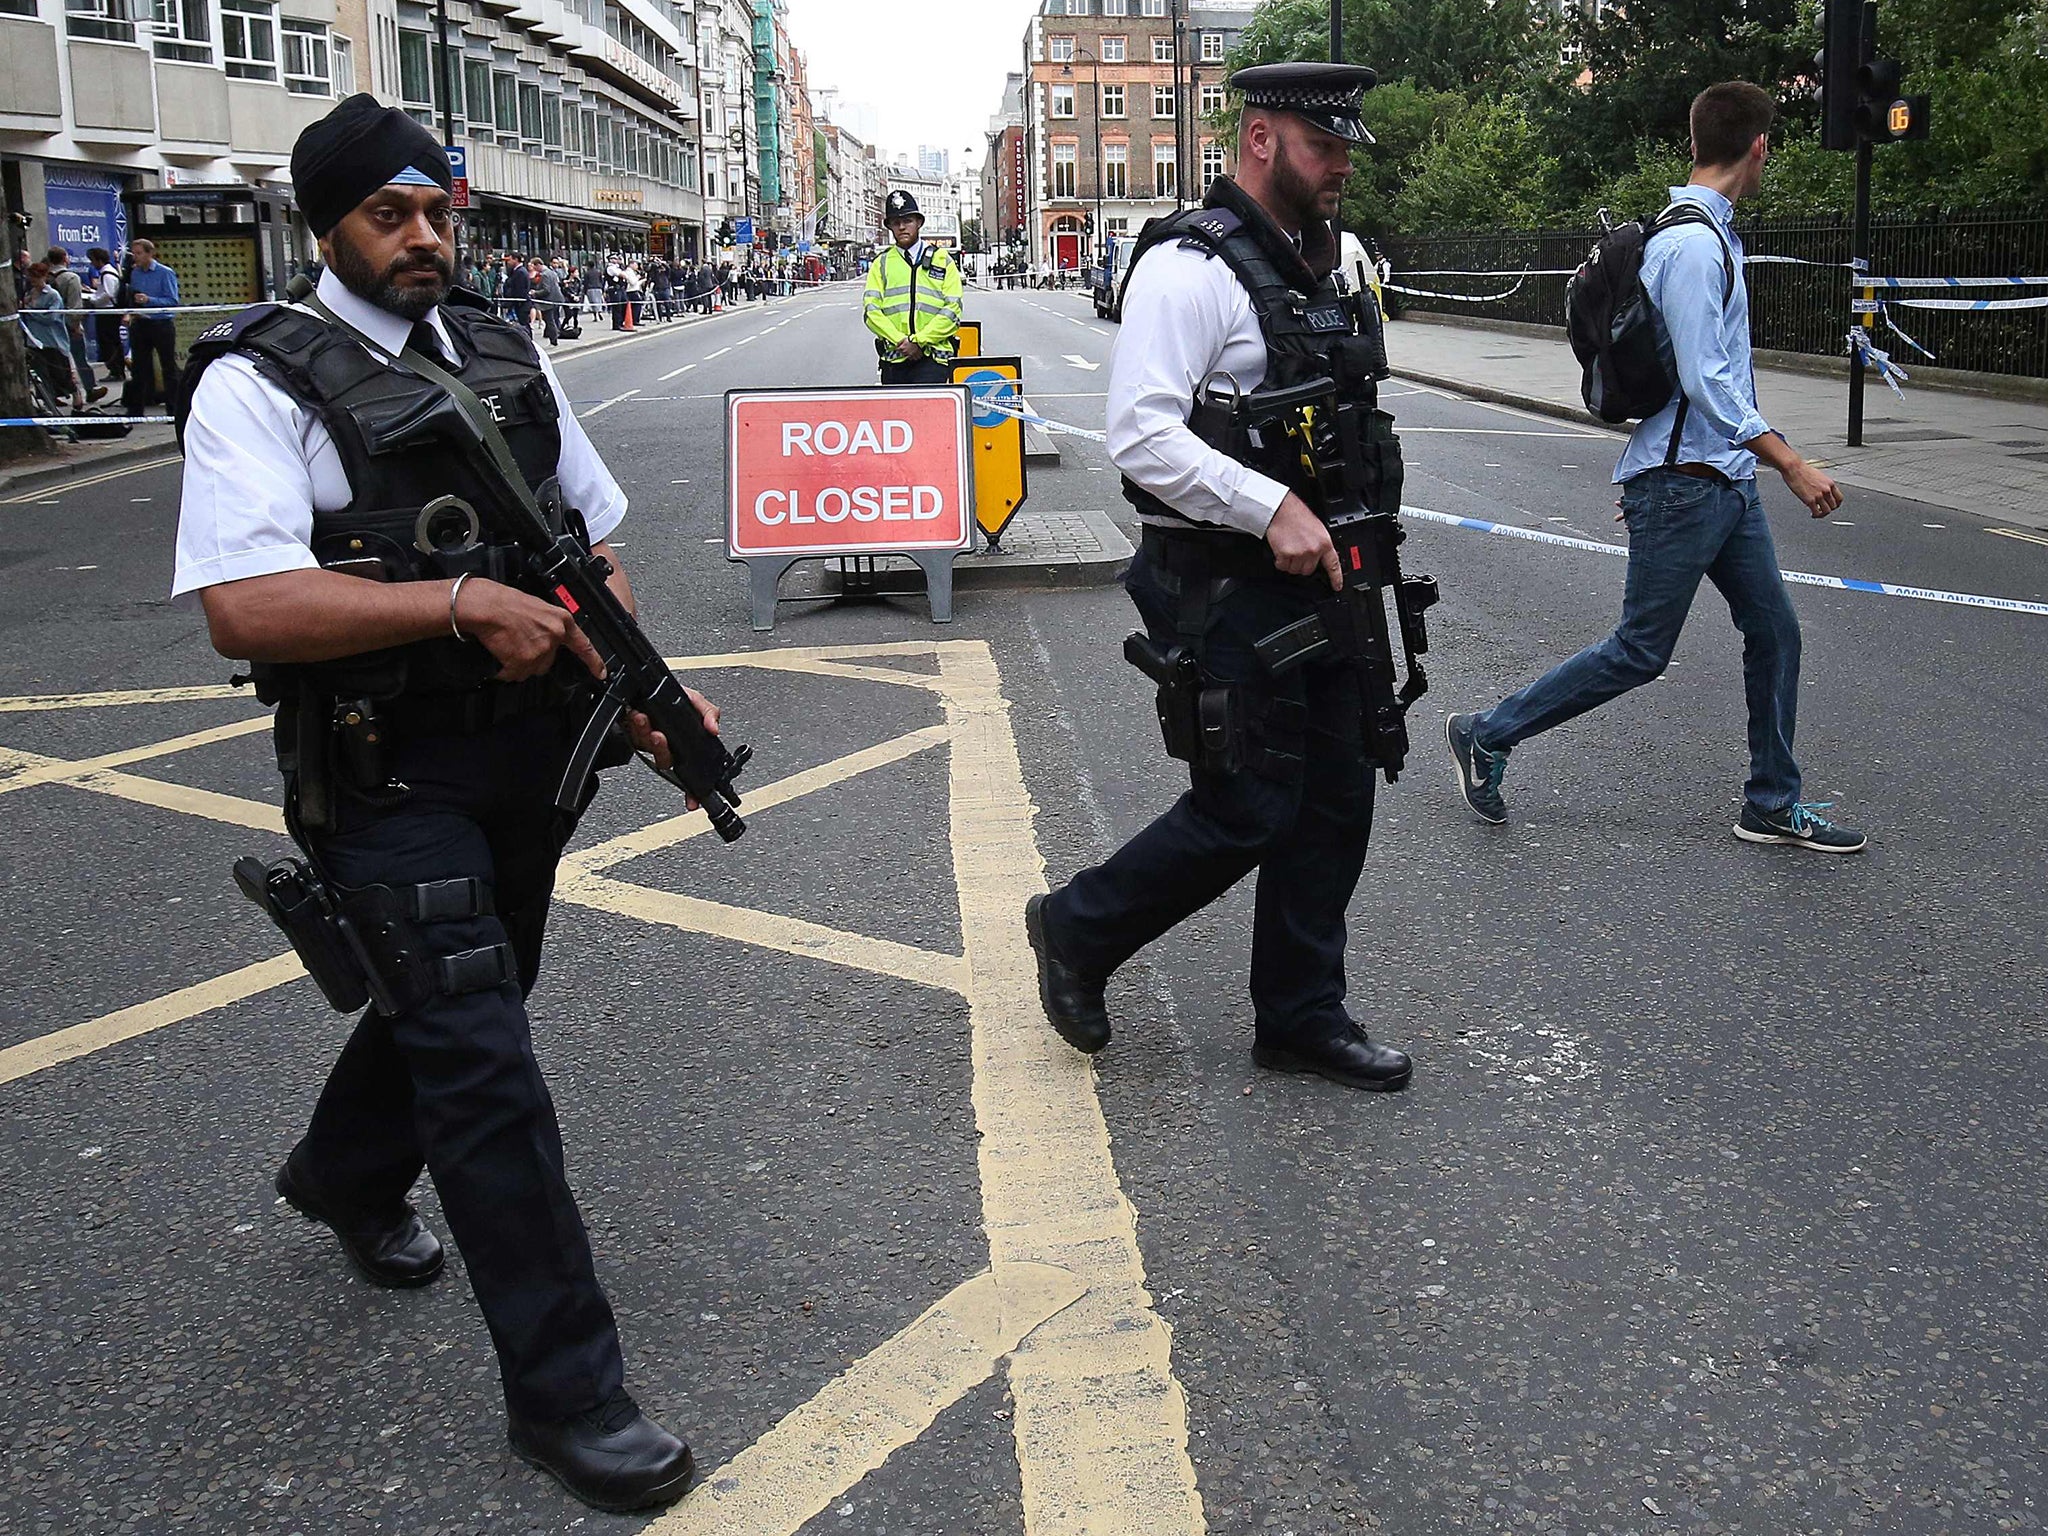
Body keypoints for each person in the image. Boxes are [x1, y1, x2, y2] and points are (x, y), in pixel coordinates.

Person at [169, 94, 707, 1512]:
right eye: (389, 215)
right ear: (325, 224)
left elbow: (588, 542)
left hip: (524, 759)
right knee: (485, 1072)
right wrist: (456, 600)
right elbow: (242, 605)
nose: (425, 237)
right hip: (382, 775)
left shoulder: (496, 344)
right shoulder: (257, 380)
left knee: (471, 991)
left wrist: (646, 689)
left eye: (438, 210)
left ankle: (343, 1177)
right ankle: (571, 1399)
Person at [1025, 63, 1413, 1094]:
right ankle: (1075, 927)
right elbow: (1141, 437)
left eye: (1343, 149)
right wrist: (1268, 506)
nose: (1339, 168)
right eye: (1322, 147)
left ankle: (1298, 1015)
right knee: (1246, 802)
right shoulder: (1188, 268)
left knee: (1333, 800)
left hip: (1329, 572)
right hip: (1221, 577)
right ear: (1258, 138)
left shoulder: (1337, 262)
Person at [1444, 82, 1865, 854]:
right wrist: (1790, 463)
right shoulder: (1697, 247)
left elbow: (1690, 376)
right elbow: (1708, 381)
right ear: (1759, 148)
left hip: (1714, 483)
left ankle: (1772, 800)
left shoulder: (1697, 234)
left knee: (1776, 632)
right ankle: (1486, 732)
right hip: (1691, 484)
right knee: (1640, 650)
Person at [862, 190, 962, 386]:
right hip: (894, 359)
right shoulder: (881, 263)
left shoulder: (942, 260)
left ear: (919, 222)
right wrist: (902, 342)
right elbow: (871, 311)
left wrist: (919, 341)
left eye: (907, 220)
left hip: (934, 359)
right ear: (889, 227)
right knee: (896, 416)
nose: (901, 227)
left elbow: (952, 310)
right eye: (895, 222)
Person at [20, 261, 96, 411]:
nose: (33, 280)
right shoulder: (29, 295)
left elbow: (51, 318)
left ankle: (75, 393)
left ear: (45, 276)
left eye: (36, 277)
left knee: (61, 374)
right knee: (42, 376)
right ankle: (49, 405)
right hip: (35, 341)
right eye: (31, 277)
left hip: (53, 341)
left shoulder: (53, 295)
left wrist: (31, 310)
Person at [123, 238, 182, 411]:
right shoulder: (135, 273)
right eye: (134, 254)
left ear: (150, 253)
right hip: (141, 322)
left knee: (167, 366)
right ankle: (136, 409)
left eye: (139, 253)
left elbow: (172, 300)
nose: (136, 257)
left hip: (161, 323)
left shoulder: (165, 273)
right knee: (139, 367)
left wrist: (150, 300)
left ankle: (173, 408)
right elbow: (131, 295)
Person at [44, 246, 99, 397]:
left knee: (55, 360)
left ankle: (55, 393)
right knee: (80, 357)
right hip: (68, 323)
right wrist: (76, 325)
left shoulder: (45, 276)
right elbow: (75, 304)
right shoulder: (71, 278)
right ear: (65, 258)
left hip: (50, 325)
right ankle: (90, 388)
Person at [86, 246, 126, 385]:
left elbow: (108, 294)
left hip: (107, 312)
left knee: (109, 342)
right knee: (111, 341)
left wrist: (93, 299)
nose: (92, 263)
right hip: (106, 311)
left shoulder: (107, 274)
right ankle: (116, 369)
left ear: (99, 260)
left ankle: (115, 370)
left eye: (93, 260)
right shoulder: (108, 273)